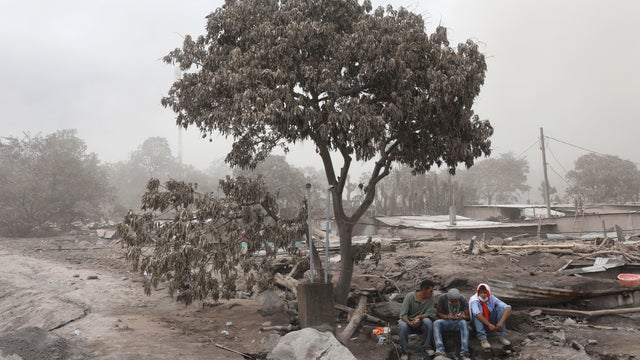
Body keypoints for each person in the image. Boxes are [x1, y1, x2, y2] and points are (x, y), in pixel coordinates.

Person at [398, 279, 436, 360]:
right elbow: (403, 315)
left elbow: (429, 313)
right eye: (430, 291)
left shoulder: (431, 298)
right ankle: (405, 351)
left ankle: (427, 346)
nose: (432, 293)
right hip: (408, 322)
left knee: (428, 321)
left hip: (420, 322)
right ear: (423, 290)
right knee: (402, 325)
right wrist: (409, 322)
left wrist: (419, 317)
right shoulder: (410, 296)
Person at [468, 282, 512, 350]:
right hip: (477, 324)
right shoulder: (475, 300)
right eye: (481, 293)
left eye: (485, 293)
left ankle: (501, 335)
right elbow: (477, 313)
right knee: (477, 315)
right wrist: (489, 324)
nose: (483, 295)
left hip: (490, 321)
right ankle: (483, 339)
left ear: (488, 292)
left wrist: (501, 322)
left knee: (501, 308)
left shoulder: (491, 298)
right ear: (478, 292)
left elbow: (508, 308)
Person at [433, 288, 471, 360]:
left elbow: (468, 317)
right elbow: (438, 313)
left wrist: (462, 317)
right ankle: (440, 351)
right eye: (452, 301)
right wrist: (446, 316)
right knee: (436, 323)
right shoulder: (442, 298)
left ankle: (465, 353)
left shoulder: (463, 299)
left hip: (458, 322)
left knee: (463, 323)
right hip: (446, 321)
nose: (454, 303)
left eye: (456, 301)